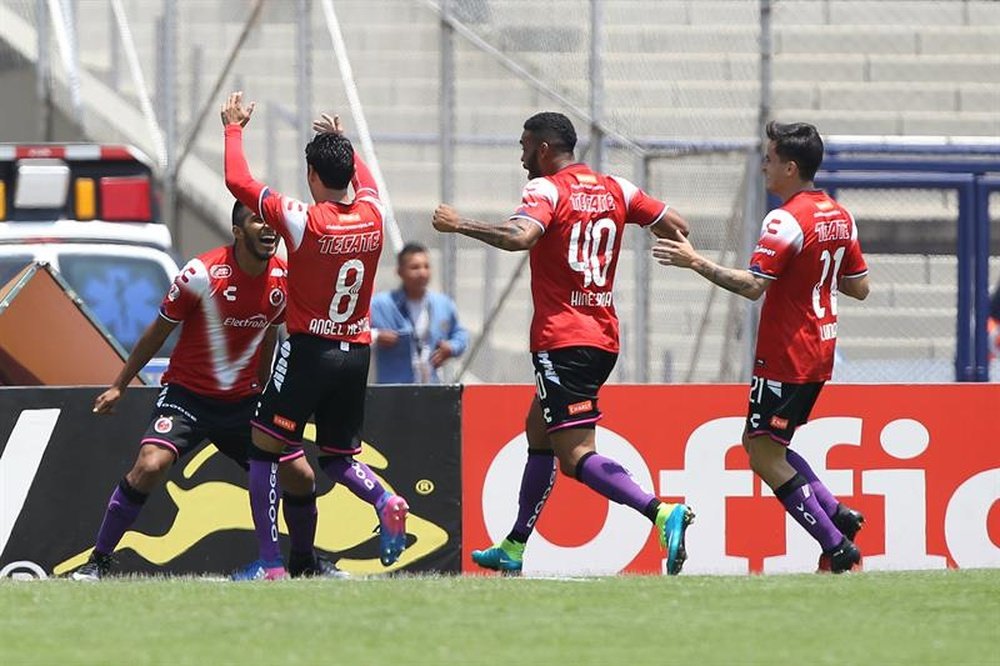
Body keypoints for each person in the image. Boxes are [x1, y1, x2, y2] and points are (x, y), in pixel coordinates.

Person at [432, 111, 695, 575]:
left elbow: (520, 237)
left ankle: (660, 512)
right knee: (538, 427)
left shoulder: (546, 190)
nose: (521, 157)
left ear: (544, 149)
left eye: (524, 146)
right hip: (603, 335)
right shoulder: (617, 188)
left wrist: (460, 225)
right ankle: (514, 546)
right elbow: (677, 223)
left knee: (574, 456)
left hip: (563, 339)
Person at [71, 201, 337, 581]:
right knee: (150, 465)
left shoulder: (283, 280)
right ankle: (98, 562)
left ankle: (305, 563)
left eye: (272, 221)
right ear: (237, 231)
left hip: (243, 405)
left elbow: (267, 338)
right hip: (188, 398)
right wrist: (119, 385)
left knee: (301, 474)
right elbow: (157, 331)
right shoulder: (201, 273)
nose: (268, 228)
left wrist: (263, 392)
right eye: (257, 220)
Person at [653, 120, 869, 574]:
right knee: (762, 442)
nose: (764, 169)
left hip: (788, 352)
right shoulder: (838, 214)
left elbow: (752, 285)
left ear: (790, 167)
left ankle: (836, 544)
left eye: (769, 160)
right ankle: (837, 513)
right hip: (821, 347)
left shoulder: (786, 219)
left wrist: (695, 261)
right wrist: (813, 273)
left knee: (764, 454)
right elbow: (859, 286)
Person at [222, 92, 409, 577]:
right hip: (356, 354)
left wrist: (233, 128)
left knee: (263, 449)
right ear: (349, 174)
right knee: (339, 458)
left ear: (311, 176)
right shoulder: (372, 215)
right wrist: (343, 142)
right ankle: (384, 497)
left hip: (308, 351)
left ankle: (269, 564)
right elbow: (363, 181)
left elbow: (237, 181)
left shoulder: (304, 219)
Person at [370, 242, 469, 383]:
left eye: (426, 266)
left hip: (431, 388)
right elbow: (356, 332)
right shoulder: (380, 305)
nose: (422, 273)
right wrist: (376, 336)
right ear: (399, 271)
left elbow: (460, 334)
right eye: (415, 267)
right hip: (393, 392)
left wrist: (451, 348)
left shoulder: (443, 304)